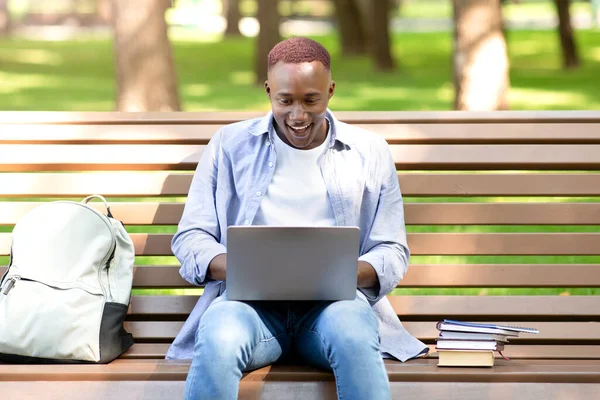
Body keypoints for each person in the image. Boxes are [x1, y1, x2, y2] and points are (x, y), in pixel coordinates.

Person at [166, 37, 428, 399]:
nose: (298, 115)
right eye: (285, 100)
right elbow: (191, 236)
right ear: (268, 90)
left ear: (331, 91)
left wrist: (338, 274)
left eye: (311, 100)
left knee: (354, 331)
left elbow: (392, 249)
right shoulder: (228, 145)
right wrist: (242, 268)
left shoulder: (369, 152)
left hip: (334, 310)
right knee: (220, 333)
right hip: (248, 309)